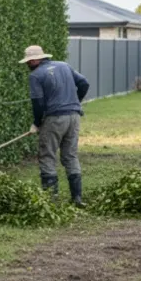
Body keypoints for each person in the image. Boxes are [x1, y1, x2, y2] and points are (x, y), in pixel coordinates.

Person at [20, 44, 89, 205]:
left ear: (35, 60)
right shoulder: (64, 65)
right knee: (70, 155)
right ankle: (77, 198)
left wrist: (36, 123)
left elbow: (38, 103)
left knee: (47, 155)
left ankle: (51, 201)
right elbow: (84, 83)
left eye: (29, 62)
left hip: (54, 119)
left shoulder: (36, 76)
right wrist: (75, 102)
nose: (27, 65)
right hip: (74, 117)